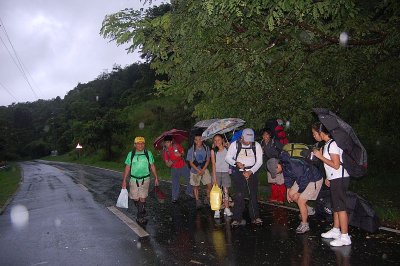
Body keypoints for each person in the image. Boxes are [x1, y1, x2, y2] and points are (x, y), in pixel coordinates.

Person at [313, 122, 352, 247]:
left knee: (340, 207)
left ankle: (345, 236)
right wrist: (328, 177)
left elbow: (336, 164)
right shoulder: (328, 144)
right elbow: (332, 165)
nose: (313, 136)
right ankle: (336, 230)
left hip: (340, 178)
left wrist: (320, 156)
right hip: (335, 178)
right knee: (336, 206)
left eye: (314, 133)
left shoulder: (333, 145)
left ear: (321, 133)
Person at [267, 152, 323, 234]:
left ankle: (305, 225)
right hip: (301, 178)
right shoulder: (284, 165)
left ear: (277, 166)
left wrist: (299, 193)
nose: (276, 173)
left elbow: (304, 179)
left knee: (301, 201)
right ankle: (309, 210)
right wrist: (288, 191)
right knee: (291, 195)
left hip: (313, 179)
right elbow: (287, 178)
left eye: (275, 171)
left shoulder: (293, 165)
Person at [225, 128, 263, 226]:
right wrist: (236, 163)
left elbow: (259, 162)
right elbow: (228, 158)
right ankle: (237, 218)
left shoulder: (256, 145)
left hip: (252, 171)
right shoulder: (235, 145)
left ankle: (255, 217)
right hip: (238, 172)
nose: (249, 142)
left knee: (253, 194)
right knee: (239, 195)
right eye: (247, 139)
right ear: (242, 137)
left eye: (250, 140)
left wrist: (251, 171)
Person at [122, 136, 159, 224]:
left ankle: (140, 216)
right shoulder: (131, 154)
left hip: (145, 179)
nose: (140, 145)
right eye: (138, 143)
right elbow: (127, 167)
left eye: (142, 143)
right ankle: (142, 209)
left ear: (144, 144)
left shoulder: (148, 153)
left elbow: (152, 166)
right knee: (135, 198)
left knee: (142, 198)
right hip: (134, 180)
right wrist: (124, 180)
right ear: (135, 145)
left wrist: (156, 177)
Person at [162, 135, 193, 203]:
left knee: (189, 179)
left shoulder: (176, 146)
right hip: (174, 169)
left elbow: (183, 152)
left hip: (183, 166)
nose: (166, 144)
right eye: (165, 142)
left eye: (168, 142)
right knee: (175, 183)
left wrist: (180, 155)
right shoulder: (165, 152)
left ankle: (189, 191)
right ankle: (174, 197)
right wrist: (172, 161)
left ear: (171, 142)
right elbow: (167, 164)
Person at [187, 133, 212, 209]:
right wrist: (198, 170)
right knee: (195, 186)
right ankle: (197, 201)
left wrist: (203, 169)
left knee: (209, 184)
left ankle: (207, 198)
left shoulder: (206, 148)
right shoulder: (191, 150)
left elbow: (208, 160)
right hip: (195, 170)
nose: (199, 141)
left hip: (204, 168)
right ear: (194, 141)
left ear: (202, 139)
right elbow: (191, 162)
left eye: (200, 139)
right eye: (197, 139)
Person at [210, 134, 233, 218]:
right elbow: (213, 164)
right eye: (215, 140)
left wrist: (230, 147)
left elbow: (233, 157)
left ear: (222, 139)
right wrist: (214, 177)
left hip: (226, 172)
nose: (217, 142)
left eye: (218, 140)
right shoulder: (213, 151)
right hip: (217, 173)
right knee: (217, 192)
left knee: (226, 191)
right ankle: (217, 209)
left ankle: (227, 208)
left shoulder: (228, 149)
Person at [261, 128, 285, 203]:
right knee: (273, 181)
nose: (265, 136)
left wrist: (281, 164)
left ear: (270, 135)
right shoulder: (262, 143)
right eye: (264, 134)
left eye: (267, 134)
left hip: (278, 162)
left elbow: (283, 152)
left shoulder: (275, 142)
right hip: (269, 164)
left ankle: (281, 198)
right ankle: (274, 197)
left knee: (280, 181)